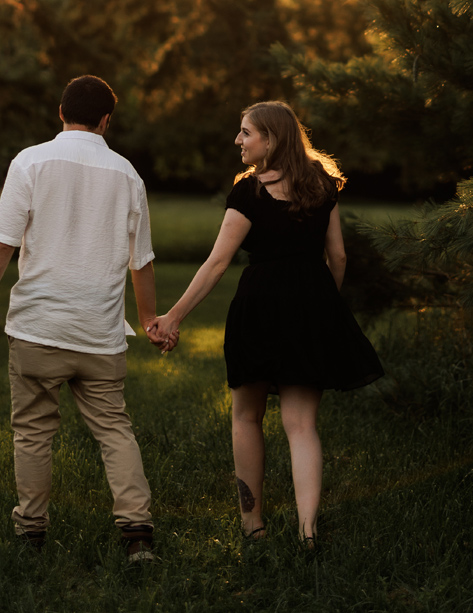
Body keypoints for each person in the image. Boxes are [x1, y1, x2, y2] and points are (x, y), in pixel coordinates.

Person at [148, 100, 384, 549]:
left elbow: (218, 263)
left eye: (245, 133)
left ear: (270, 139)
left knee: (246, 416)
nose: (238, 140)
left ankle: (253, 526)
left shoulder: (249, 192)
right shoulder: (322, 187)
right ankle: (308, 530)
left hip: (258, 307)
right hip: (312, 305)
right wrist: (323, 306)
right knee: (301, 423)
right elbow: (339, 257)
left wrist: (172, 317)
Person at [0, 74, 168, 562]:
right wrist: (148, 320)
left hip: (38, 328)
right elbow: (142, 261)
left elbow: (2, 243)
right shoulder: (128, 175)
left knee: (33, 432)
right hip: (100, 334)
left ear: (60, 113)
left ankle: (32, 533)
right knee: (115, 431)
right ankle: (137, 534)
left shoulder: (31, 161)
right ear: (105, 121)